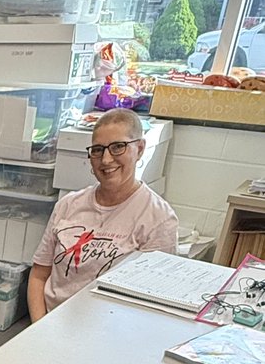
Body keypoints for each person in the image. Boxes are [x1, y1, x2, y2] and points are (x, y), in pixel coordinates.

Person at [27, 109, 179, 322]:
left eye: (118, 147)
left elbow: (151, 304)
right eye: (98, 150)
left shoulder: (158, 218)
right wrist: (38, 327)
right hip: (51, 323)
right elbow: (38, 275)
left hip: (111, 331)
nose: (106, 160)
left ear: (140, 148)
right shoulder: (69, 204)